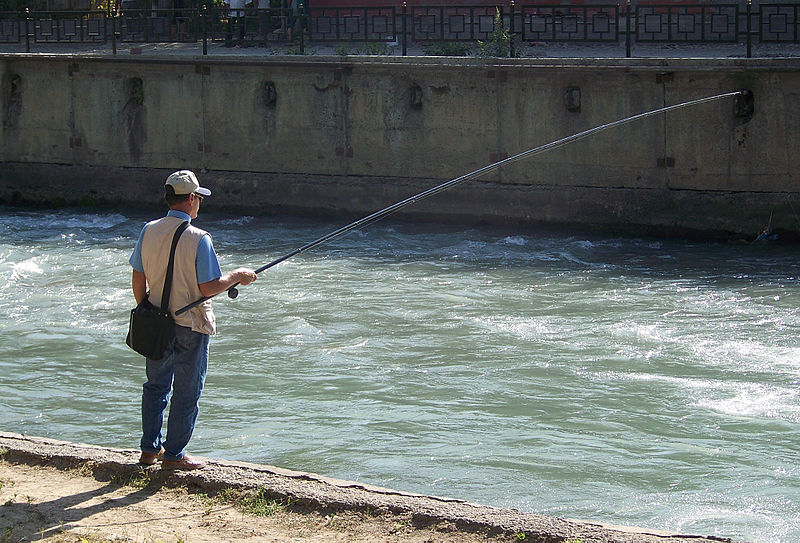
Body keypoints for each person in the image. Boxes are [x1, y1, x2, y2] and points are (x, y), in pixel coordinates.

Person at [129, 170, 257, 470]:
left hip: (156, 324)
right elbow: (208, 288)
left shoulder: (148, 230)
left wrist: (146, 308)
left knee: (155, 386)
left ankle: (149, 451)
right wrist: (238, 275)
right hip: (190, 325)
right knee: (186, 391)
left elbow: (138, 277)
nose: (198, 203)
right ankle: (174, 456)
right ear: (190, 199)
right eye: (198, 197)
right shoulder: (199, 238)